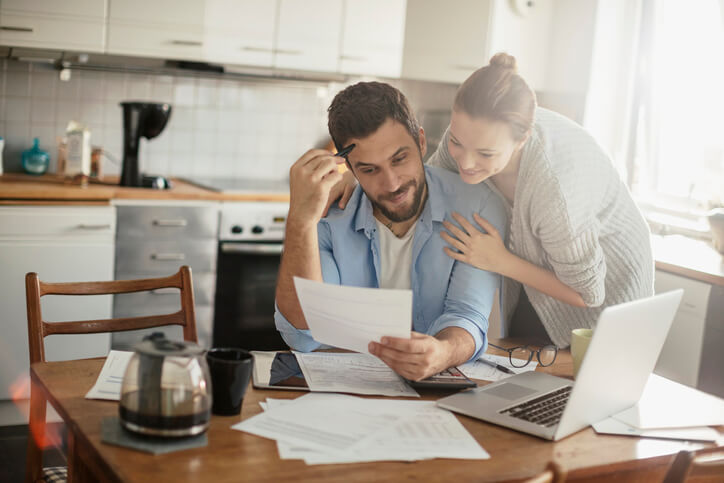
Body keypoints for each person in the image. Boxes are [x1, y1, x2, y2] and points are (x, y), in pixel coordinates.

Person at [330, 53, 655, 348]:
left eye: (485, 153)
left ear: (522, 139)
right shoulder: (467, 142)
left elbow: (588, 293)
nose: (466, 162)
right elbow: (427, 185)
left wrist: (500, 261)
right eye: (456, 142)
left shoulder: (555, 192)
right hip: (539, 283)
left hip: (607, 302)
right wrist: (360, 175)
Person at [274, 81, 507, 381]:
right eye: (370, 169)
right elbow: (303, 332)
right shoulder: (328, 215)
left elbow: (467, 314)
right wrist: (300, 221)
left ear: (421, 142)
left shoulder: (477, 206)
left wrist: (443, 352)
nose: (393, 183)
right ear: (350, 168)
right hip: (345, 390)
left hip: (434, 393)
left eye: (400, 159)